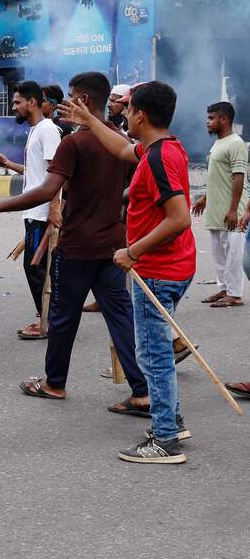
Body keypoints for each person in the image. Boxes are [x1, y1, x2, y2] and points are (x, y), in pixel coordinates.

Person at [0, 72, 149, 416]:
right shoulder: (121, 141)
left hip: (77, 247)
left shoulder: (75, 143)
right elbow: (129, 190)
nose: (63, 104)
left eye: (71, 96)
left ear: (85, 102)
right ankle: (142, 391)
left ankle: (54, 383)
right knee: (120, 316)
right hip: (111, 246)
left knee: (63, 317)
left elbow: (48, 191)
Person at [59, 81, 196, 464]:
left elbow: (179, 218)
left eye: (129, 108)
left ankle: (166, 439)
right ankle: (172, 419)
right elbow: (119, 147)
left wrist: (131, 251)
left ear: (142, 115)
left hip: (158, 269)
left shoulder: (158, 158)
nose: (123, 113)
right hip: (170, 266)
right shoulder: (163, 148)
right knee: (154, 351)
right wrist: (89, 119)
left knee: (152, 354)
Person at [0, 82, 61, 340]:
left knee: (36, 269)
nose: (13, 107)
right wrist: (8, 164)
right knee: (37, 268)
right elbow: (36, 172)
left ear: (32, 102)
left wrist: (54, 209)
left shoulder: (48, 130)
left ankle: (48, 322)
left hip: (41, 214)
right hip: (34, 213)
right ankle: (47, 318)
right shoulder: (35, 131)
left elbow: (57, 173)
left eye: (18, 102)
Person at [193, 101, 247, 308]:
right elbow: (218, 176)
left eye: (211, 118)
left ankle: (234, 294)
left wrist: (234, 209)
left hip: (232, 212)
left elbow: (238, 177)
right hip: (216, 212)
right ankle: (224, 289)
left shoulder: (236, 143)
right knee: (219, 254)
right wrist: (205, 198)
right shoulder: (218, 143)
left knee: (233, 255)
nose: (207, 122)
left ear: (223, 119)